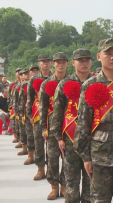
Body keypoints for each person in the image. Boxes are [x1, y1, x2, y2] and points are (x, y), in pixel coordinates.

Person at [74, 38, 113, 203]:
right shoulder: (89, 85)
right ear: (99, 56)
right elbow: (83, 123)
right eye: (108, 53)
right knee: (99, 199)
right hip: (100, 153)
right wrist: (86, 157)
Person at [51, 49, 93, 203]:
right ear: (73, 62)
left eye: (87, 60)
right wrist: (58, 137)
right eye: (80, 60)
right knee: (71, 180)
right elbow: (57, 112)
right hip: (70, 139)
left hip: (91, 140)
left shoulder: (96, 83)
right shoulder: (64, 84)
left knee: (90, 181)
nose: (84, 63)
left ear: (91, 62)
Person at [39, 52, 68, 200]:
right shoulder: (46, 84)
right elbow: (42, 108)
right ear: (54, 64)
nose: (61, 65)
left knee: (67, 158)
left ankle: (64, 187)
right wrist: (43, 127)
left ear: (68, 64)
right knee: (52, 158)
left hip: (69, 125)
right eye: (58, 62)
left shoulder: (72, 82)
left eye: (64, 62)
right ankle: (54, 187)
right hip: (51, 126)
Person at [26, 55, 53, 181]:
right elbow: (30, 99)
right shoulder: (34, 79)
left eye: (48, 61)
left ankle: (50, 170)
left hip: (53, 113)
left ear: (51, 63)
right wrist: (30, 115)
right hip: (38, 114)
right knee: (39, 142)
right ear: (39, 63)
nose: (45, 63)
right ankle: (40, 169)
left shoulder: (55, 77)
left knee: (52, 145)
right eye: (43, 61)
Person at [16, 69, 32, 159]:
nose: (26, 75)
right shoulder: (20, 86)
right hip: (24, 111)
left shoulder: (32, 83)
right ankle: (25, 149)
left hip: (35, 111)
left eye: (27, 74)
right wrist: (20, 113)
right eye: (23, 74)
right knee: (24, 131)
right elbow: (19, 100)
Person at [8, 68, 22, 143]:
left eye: (20, 72)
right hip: (14, 105)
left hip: (21, 105)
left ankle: (21, 140)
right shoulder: (13, 84)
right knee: (14, 123)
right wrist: (10, 105)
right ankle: (16, 137)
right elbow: (9, 95)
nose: (19, 73)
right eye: (17, 72)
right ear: (15, 73)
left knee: (20, 124)